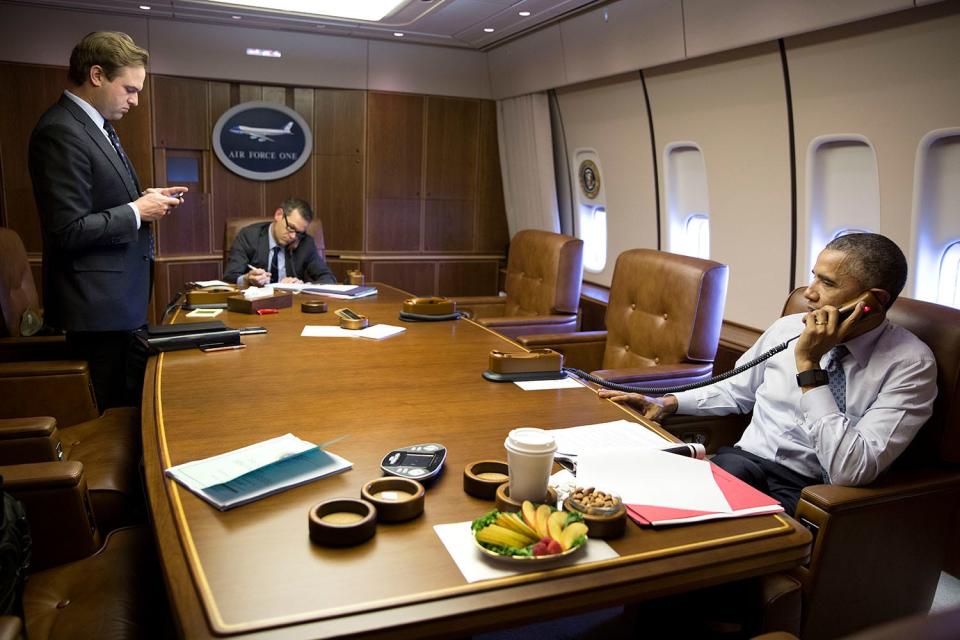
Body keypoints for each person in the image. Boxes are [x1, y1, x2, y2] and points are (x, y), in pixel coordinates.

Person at [599, 233, 937, 514]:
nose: (809, 292)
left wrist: (809, 366)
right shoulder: (788, 329)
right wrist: (669, 401)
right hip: (743, 463)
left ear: (872, 302)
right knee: (649, 503)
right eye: (814, 275)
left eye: (827, 282)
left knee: (713, 537)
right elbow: (735, 389)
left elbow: (850, 469)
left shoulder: (909, 364)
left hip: (810, 491)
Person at [29, 31, 187, 411]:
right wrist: (137, 211)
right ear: (97, 75)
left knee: (130, 406)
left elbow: (99, 199)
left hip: (117, 306)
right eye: (129, 89)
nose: (135, 100)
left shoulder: (96, 127)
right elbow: (68, 230)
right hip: (95, 314)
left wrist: (145, 199)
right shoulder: (61, 131)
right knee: (111, 416)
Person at [223, 198, 336, 287]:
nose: (293, 236)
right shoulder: (249, 236)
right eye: (291, 227)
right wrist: (247, 279)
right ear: (278, 215)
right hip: (255, 304)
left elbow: (328, 278)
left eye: (299, 232)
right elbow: (230, 277)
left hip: (291, 307)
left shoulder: (305, 243)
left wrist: (302, 286)